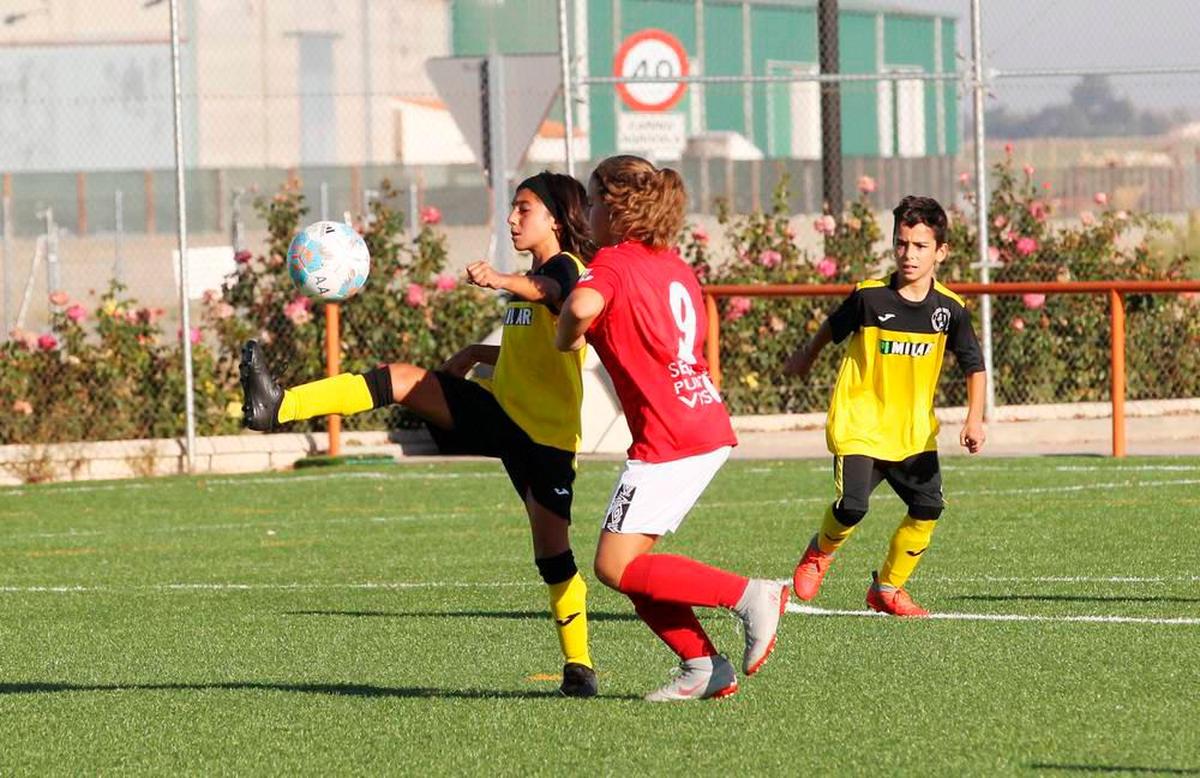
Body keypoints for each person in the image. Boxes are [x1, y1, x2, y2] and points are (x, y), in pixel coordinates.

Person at [240, 172, 600, 697]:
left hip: (545, 439)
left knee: (553, 557)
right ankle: (278, 407)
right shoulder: (532, 277)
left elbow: (554, 292)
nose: (512, 218)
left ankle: (580, 667)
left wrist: (500, 278)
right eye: (513, 208)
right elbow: (534, 350)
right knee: (403, 379)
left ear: (555, 216)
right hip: (502, 412)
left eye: (524, 209)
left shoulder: (565, 270)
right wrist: (479, 354)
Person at [555, 155, 787, 703]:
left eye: (591, 202)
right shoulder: (675, 265)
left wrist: (565, 335)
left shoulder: (612, 261)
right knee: (634, 566)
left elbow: (585, 302)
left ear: (613, 209)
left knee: (614, 565)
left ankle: (750, 595)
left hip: (669, 434)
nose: (586, 214)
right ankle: (704, 666)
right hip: (701, 416)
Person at [784, 195, 986, 617]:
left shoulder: (950, 310)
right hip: (861, 422)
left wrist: (974, 419)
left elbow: (974, 364)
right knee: (853, 506)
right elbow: (831, 328)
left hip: (912, 431)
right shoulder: (869, 298)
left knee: (928, 507)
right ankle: (820, 552)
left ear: (941, 252)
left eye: (920, 246)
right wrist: (805, 355)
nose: (908, 255)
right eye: (901, 244)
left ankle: (888, 589)